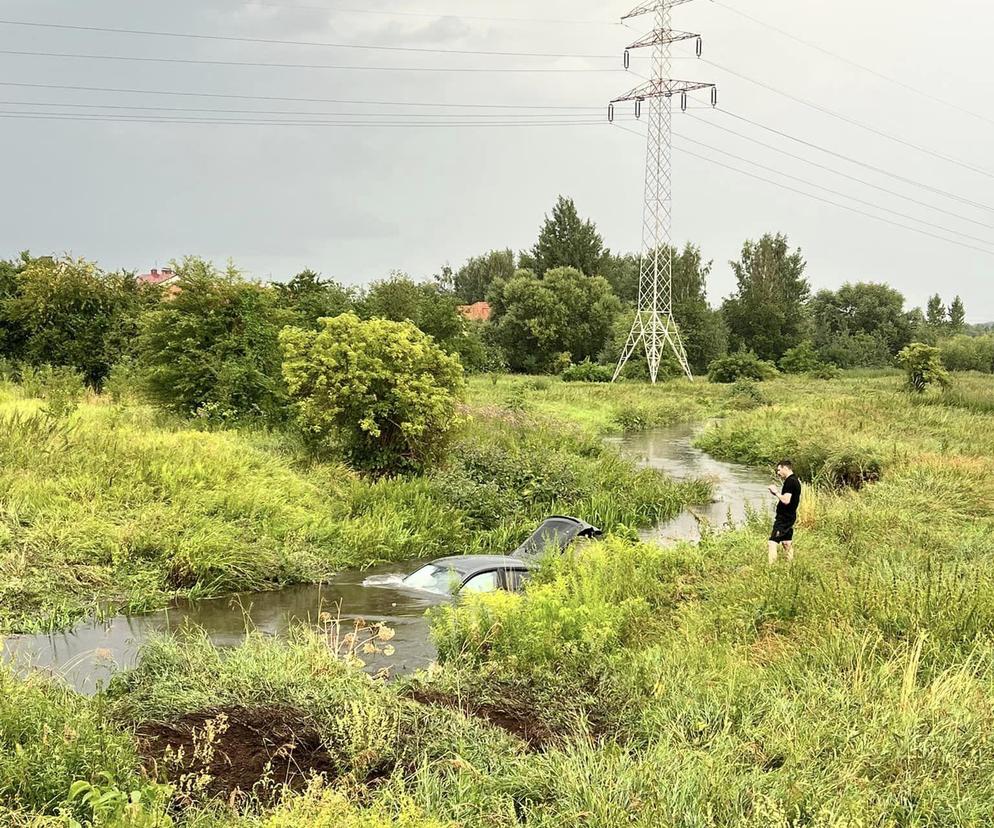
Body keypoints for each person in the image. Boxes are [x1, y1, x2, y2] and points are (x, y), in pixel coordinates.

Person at [768, 459, 801, 564]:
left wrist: (775, 492)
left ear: (785, 468)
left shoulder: (790, 481)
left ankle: (771, 568)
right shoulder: (794, 480)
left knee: (772, 542)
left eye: (779, 470)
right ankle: (790, 566)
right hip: (790, 516)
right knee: (787, 542)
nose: (778, 473)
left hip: (784, 518)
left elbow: (786, 500)